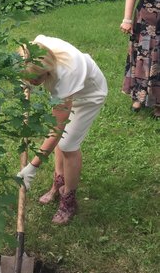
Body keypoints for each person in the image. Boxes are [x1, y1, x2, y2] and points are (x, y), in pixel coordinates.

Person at [17, 35, 107, 224]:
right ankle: (59, 183)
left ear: (47, 70)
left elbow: (57, 129)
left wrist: (32, 166)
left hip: (89, 94)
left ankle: (69, 200)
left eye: (36, 79)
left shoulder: (66, 75)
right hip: (67, 90)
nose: (33, 83)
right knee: (60, 140)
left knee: (67, 145)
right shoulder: (35, 50)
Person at [120, 0, 160, 118]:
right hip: (143, 26)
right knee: (141, 59)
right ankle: (138, 96)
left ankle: (158, 103)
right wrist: (127, 19)